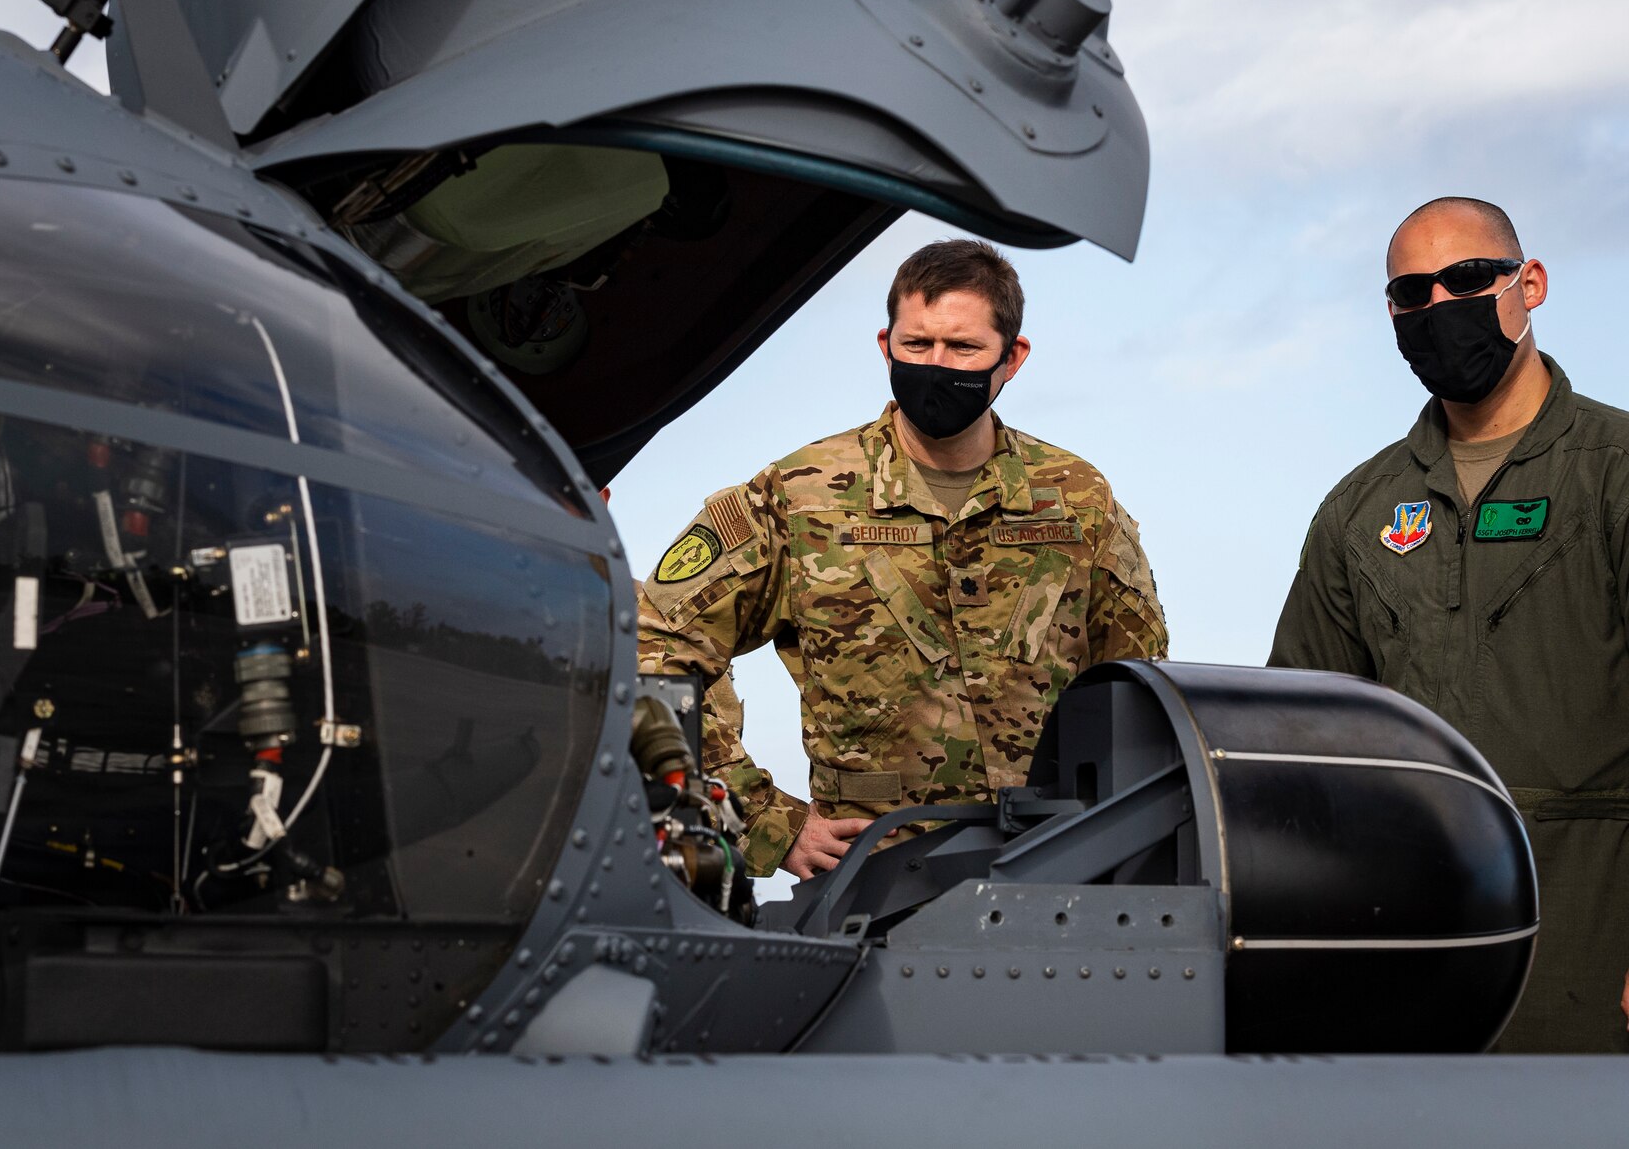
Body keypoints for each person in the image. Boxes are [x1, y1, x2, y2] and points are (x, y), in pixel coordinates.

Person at [637, 239, 1168, 880]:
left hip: (1056, 871)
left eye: (963, 348)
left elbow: (1137, 685)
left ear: (1013, 357)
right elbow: (653, 650)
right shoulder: (799, 496)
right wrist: (767, 821)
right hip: (875, 883)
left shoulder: (1077, 498)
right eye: (917, 346)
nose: (937, 365)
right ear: (886, 344)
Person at [1270, 196, 1629, 1054]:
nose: (1439, 308)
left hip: (1590, 941)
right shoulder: (1360, 512)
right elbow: (1300, 741)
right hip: (1412, 959)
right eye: (1411, 293)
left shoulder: (1612, 473)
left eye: (1467, 279)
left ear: (1528, 284)